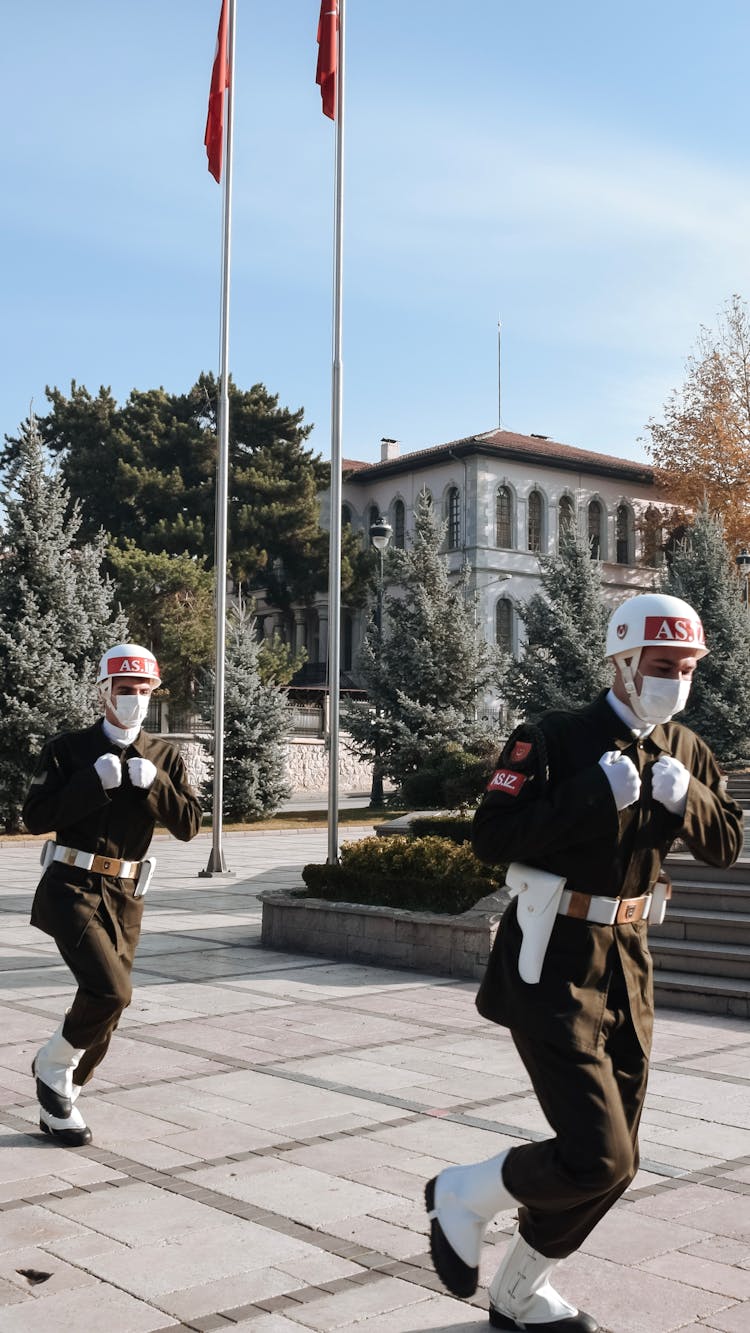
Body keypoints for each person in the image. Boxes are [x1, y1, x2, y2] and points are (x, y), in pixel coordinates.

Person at [425, 593, 743, 1332]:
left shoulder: (687, 748)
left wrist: (687, 796)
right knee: (597, 1153)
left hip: (629, 963)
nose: (677, 680)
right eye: (663, 666)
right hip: (552, 959)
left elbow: (725, 843)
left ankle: (521, 1290)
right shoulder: (554, 738)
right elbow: (490, 835)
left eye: (688, 668)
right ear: (624, 663)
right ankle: (463, 1193)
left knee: (617, 1161)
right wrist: (589, 796)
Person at [23, 643, 202, 1147]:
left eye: (145, 691)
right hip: (71, 886)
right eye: (126, 690)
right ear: (104, 690)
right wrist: (89, 782)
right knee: (111, 991)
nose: (136, 700)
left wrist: (157, 785)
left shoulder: (165, 755)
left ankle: (63, 1102)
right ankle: (53, 1068)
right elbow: (35, 817)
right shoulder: (67, 749)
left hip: (126, 894)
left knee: (111, 1006)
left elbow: (189, 825)